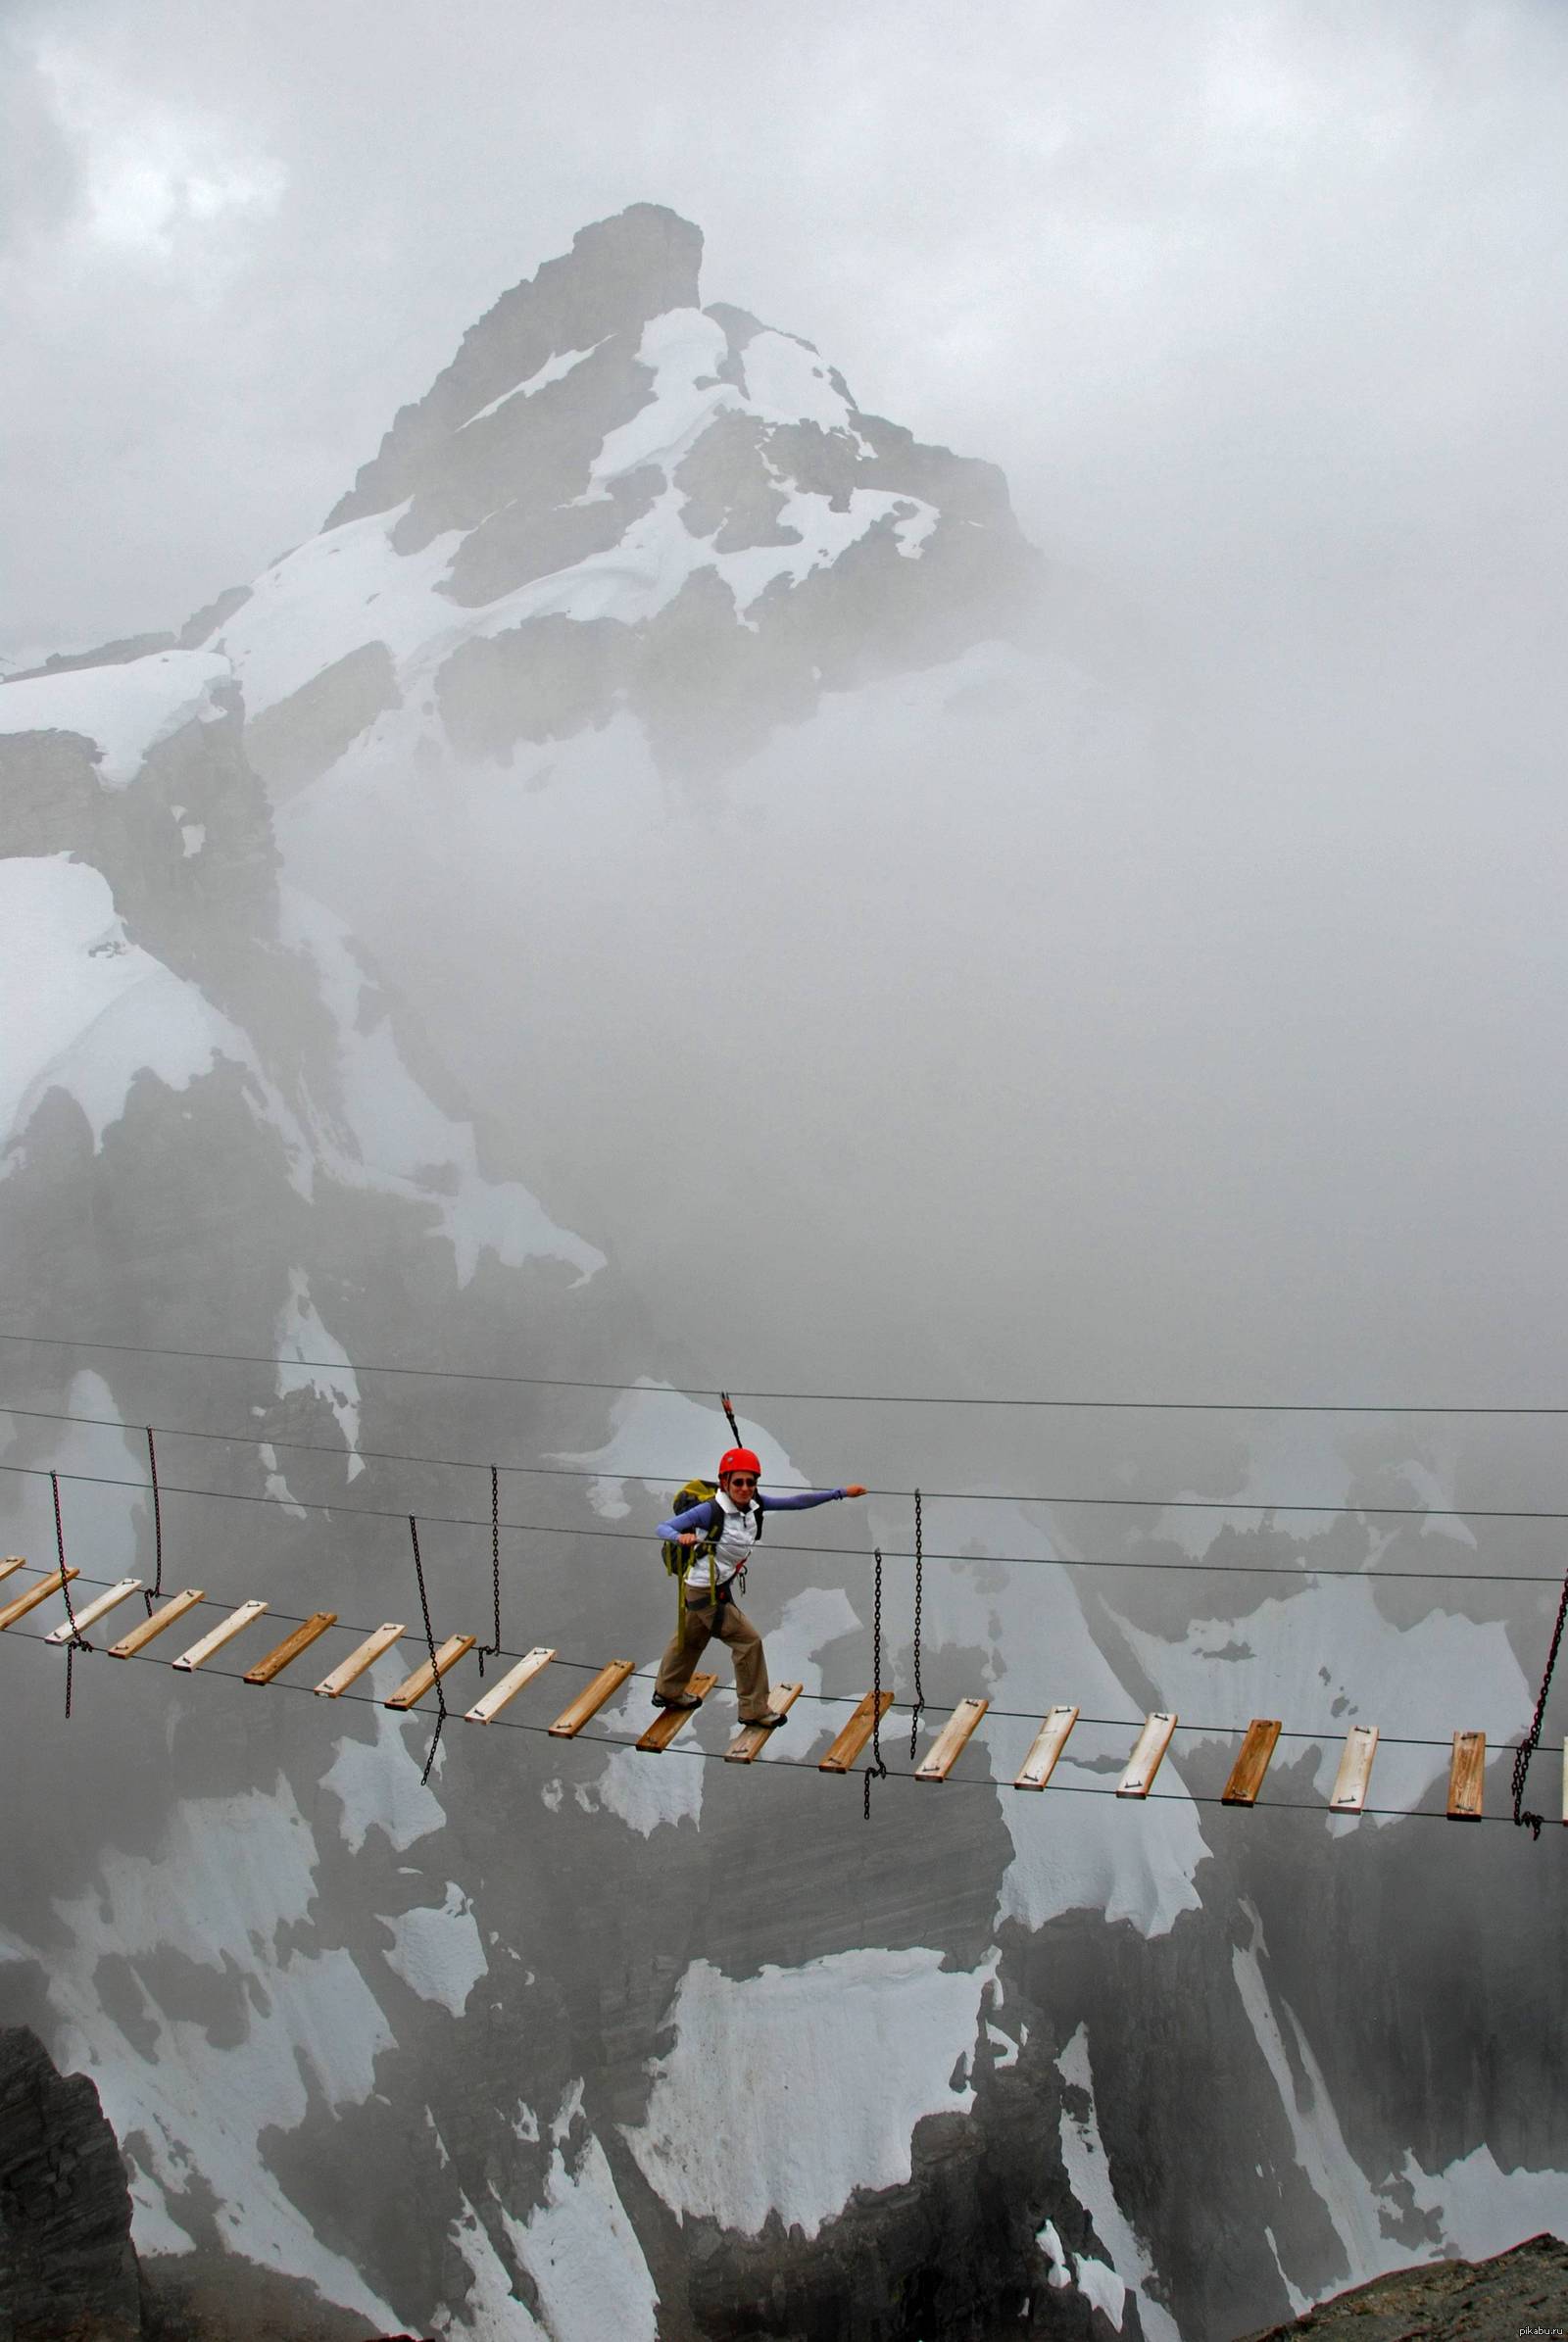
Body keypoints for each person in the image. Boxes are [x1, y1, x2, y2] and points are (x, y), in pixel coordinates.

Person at [653, 1446, 865, 1728]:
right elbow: (663, 1528)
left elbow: (797, 1502)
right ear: (724, 1482)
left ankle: (668, 1691)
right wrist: (681, 1538)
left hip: (713, 1584)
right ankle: (753, 1710)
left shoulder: (755, 1505)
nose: (744, 1488)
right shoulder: (710, 1511)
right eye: (738, 1482)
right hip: (705, 1590)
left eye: (750, 1482)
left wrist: (840, 1493)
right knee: (747, 1641)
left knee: (691, 1638)